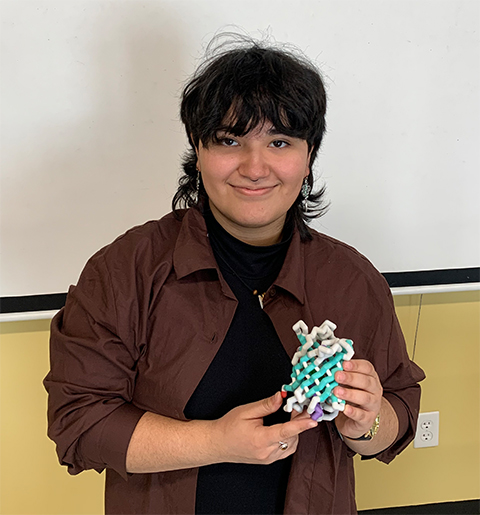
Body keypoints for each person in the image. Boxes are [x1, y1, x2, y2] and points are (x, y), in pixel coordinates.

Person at [44, 35, 425, 515]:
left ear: (308, 159)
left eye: (280, 142)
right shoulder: (126, 270)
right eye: (229, 140)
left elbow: (396, 417)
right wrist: (215, 441)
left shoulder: (352, 280)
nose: (254, 166)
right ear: (197, 151)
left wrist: (365, 423)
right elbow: (79, 422)